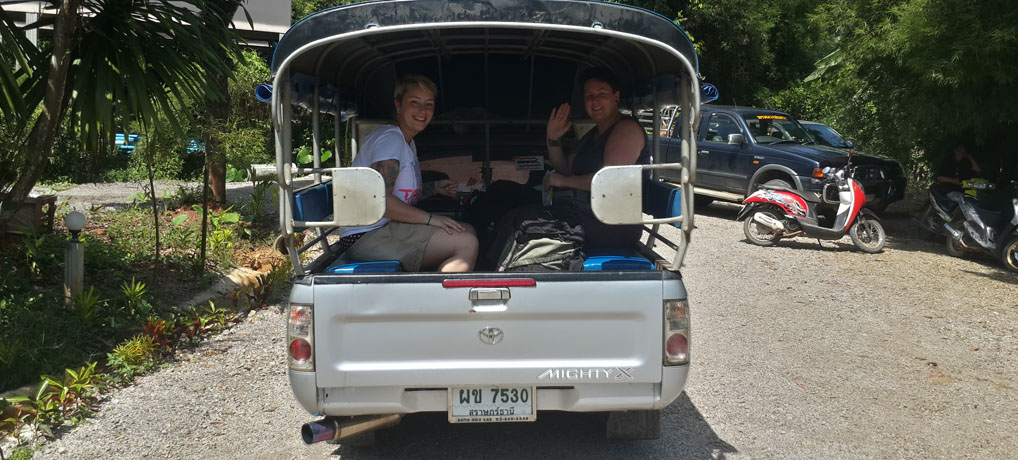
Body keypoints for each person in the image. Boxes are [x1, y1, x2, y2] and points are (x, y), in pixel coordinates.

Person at [338, 74, 477, 272]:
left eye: (429, 104)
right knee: (466, 242)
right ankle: (440, 302)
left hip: (385, 228)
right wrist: (432, 218)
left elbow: (400, 196)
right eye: (414, 102)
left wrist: (435, 187)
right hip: (366, 237)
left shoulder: (407, 142)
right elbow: (380, 201)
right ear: (398, 105)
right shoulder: (391, 140)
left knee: (465, 230)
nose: (423, 110)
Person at [543, 66, 651, 248]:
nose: (594, 101)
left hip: (613, 226)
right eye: (588, 96)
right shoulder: (593, 133)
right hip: (584, 214)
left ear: (616, 96)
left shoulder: (626, 129)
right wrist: (553, 139)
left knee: (531, 224)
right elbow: (565, 168)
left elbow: (609, 181)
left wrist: (561, 181)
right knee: (524, 214)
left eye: (601, 94)